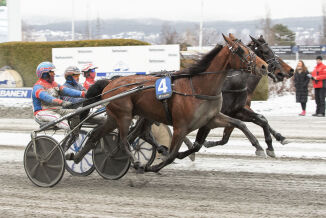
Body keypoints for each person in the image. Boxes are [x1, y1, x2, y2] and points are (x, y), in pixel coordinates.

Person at [32, 61, 85, 149]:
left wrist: (83, 94)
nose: (54, 74)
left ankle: (73, 137)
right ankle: (65, 142)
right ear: (44, 74)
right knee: (61, 121)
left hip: (57, 110)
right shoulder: (38, 87)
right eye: (52, 72)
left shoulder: (54, 84)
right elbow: (47, 98)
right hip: (42, 112)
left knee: (76, 113)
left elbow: (68, 91)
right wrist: (61, 102)